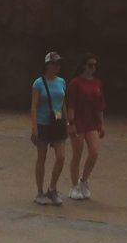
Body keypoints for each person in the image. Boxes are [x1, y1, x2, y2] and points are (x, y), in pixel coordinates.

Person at [30, 51, 68, 207]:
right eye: (54, 63)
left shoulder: (62, 82)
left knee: (61, 156)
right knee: (42, 157)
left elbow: (63, 102)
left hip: (58, 123)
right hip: (43, 123)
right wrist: (34, 128)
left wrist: (67, 123)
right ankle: (39, 191)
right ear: (47, 65)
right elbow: (34, 106)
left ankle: (52, 188)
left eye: (58, 63)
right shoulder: (38, 83)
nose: (57, 66)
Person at [67, 53, 105, 200]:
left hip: (92, 123)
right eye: (90, 65)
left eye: (95, 65)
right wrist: (71, 124)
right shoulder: (75, 83)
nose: (93, 68)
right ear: (84, 65)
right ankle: (74, 187)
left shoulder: (97, 83)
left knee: (94, 152)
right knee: (77, 154)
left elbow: (100, 105)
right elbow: (71, 105)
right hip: (78, 121)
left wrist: (101, 123)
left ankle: (84, 180)